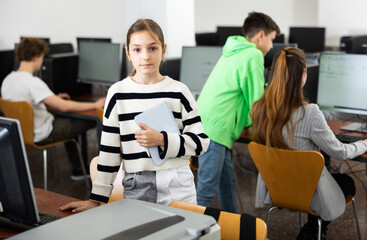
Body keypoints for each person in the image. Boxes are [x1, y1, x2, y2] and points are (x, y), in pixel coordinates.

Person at [60, 19, 209, 213]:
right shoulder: (117, 92)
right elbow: (109, 152)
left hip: (178, 184)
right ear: (128, 54)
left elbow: (201, 143)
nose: (145, 56)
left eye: (152, 48)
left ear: (163, 50)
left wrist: (162, 140)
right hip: (137, 184)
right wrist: (95, 199)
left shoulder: (179, 91)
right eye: (137, 50)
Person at [250, 47, 367, 239]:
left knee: (316, 174)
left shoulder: (260, 109)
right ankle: (313, 230)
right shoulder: (309, 112)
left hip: (278, 188)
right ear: (303, 74)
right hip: (305, 190)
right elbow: (340, 152)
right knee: (347, 182)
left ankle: (312, 229)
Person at [196, 11, 280, 213]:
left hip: (209, 123)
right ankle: (191, 233)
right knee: (206, 191)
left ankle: (234, 229)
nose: (271, 47)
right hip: (215, 128)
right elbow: (256, 101)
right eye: (271, 40)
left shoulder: (233, 50)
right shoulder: (253, 54)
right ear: (261, 35)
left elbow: (239, 94)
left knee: (227, 184)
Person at [1, 38, 106, 181]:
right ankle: (97, 173)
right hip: (44, 133)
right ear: (35, 57)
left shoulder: (7, 80)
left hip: (23, 134)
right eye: (42, 57)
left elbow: (27, 101)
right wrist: (95, 105)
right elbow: (64, 106)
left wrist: (53, 97)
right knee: (92, 120)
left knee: (68, 119)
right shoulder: (32, 82)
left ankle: (79, 169)